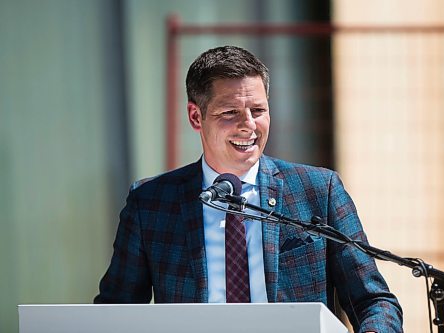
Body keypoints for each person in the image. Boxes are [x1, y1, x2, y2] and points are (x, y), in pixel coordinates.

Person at [94, 45, 403, 332]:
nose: (249, 125)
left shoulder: (317, 191)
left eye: (258, 110)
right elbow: (114, 311)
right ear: (195, 116)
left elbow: (374, 302)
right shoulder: (150, 203)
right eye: (230, 112)